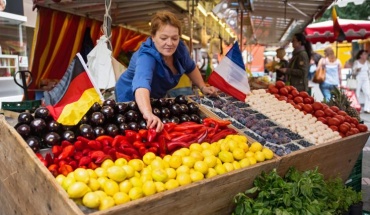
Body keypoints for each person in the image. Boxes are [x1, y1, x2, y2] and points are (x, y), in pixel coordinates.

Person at [115, 11, 217, 132]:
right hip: (129, 96)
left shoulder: (180, 49)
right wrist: (148, 113)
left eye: (174, 38)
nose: (169, 43)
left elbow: (190, 67)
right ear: (153, 37)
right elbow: (141, 84)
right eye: (163, 38)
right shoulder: (146, 56)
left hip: (153, 96)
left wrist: (202, 87)